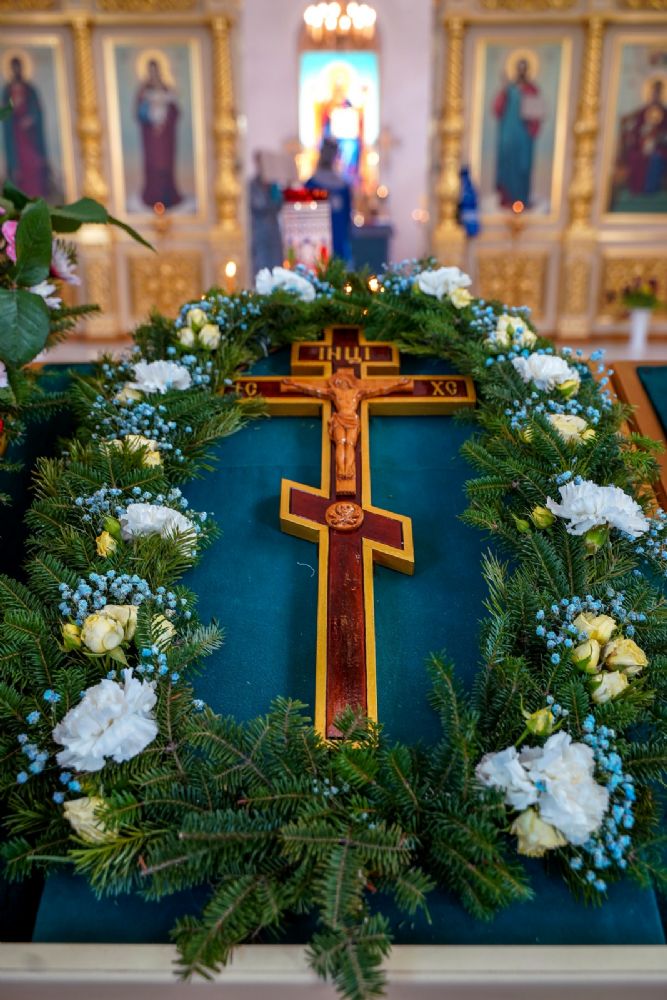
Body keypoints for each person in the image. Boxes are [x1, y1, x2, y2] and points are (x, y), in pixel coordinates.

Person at [282, 368, 412, 486]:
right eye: (337, 382)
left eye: (341, 381)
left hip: (352, 420)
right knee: (340, 443)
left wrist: (398, 383)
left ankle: (348, 469)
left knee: (349, 444)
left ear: (348, 382)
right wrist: (294, 383)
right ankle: (341, 470)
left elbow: (379, 389)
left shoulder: (357, 392)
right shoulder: (334, 392)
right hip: (339, 419)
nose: (339, 383)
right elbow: (314, 389)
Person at [493, 56, 544, 208]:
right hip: (509, 133)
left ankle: (521, 200)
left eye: (524, 68)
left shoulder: (532, 90)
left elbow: (536, 114)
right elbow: (497, 109)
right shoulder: (509, 89)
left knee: (523, 166)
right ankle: (507, 199)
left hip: (524, 136)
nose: (521, 71)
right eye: (519, 68)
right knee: (507, 164)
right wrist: (504, 91)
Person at [135, 57, 181, 209]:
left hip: (165, 137)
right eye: (151, 71)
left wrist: (164, 122)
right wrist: (151, 120)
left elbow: (175, 111)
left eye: (155, 70)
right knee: (153, 165)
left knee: (165, 165)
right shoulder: (143, 91)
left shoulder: (166, 89)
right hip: (151, 137)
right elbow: (139, 112)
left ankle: (167, 197)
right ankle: (152, 196)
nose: (153, 74)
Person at [1, 56, 51, 198]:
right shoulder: (7, 91)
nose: (17, 70)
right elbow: (5, 114)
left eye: (19, 67)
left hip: (30, 136)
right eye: (14, 67)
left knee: (34, 166)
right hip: (16, 137)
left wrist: (31, 119)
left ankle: (37, 198)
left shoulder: (30, 90)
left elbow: (37, 111)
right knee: (19, 170)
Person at [614, 79, 667, 200]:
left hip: (659, 148)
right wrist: (643, 136)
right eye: (654, 92)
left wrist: (658, 137)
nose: (655, 95)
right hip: (641, 146)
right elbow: (635, 130)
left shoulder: (665, 113)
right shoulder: (643, 112)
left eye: (658, 92)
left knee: (656, 158)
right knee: (635, 156)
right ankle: (636, 190)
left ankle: (650, 190)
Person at [305, 137, 352, 263]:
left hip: (339, 237)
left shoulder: (343, 186)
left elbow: (347, 216)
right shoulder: (311, 185)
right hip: (317, 239)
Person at [248, 151, 283, 275]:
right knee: (261, 267)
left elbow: (279, 204)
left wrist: (272, 188)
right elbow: (258, 205)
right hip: (259, 232)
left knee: (276, 266)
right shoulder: (252, 185)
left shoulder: (273, 185)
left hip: (273, 232)